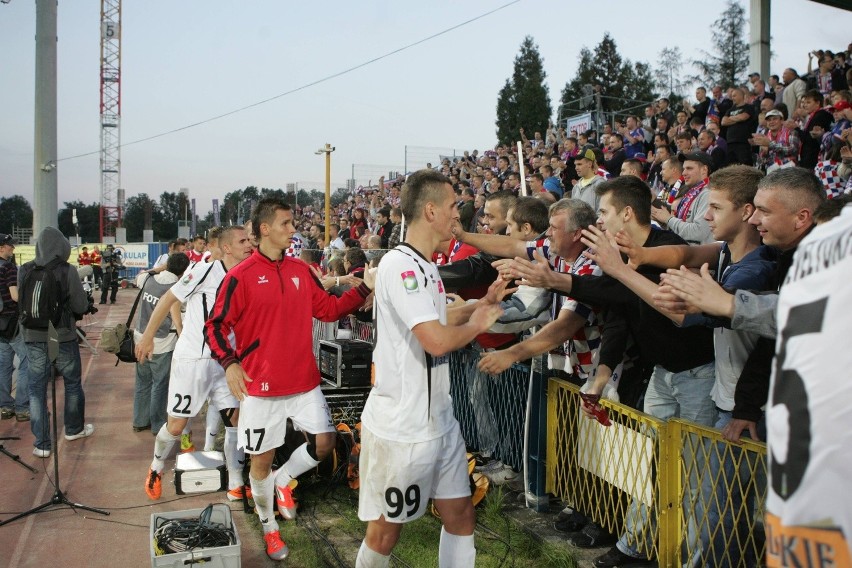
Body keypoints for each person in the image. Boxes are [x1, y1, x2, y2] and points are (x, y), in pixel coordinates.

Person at [205, 199, 375, 561]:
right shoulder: (240, 276)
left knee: (326, 443)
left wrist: (362, 289)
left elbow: (327, 309)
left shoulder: (300, 269)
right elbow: (215, 325)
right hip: (261, 389)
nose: (292, 229)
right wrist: (231, 363)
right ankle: (269, 529)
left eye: (293, 222)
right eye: (285, 223)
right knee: (259, 464)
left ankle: (284, 481)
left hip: (304, 382)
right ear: (264, 229)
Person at [355, 170, 505, 568]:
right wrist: (477, 324)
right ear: (431, 210)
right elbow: (436, 340)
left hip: (439, 420)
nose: (458, 215)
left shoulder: (424, 266)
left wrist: (480, 304)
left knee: (460, 515)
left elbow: (441, 318)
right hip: (403, 428)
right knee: (385, 532)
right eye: (454, 206)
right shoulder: (401, 267)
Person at [137, 226, 253, 504]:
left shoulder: (247, 273)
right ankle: (155, 467)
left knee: (234, 419)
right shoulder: (205, 269)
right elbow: (170, 299)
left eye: (250, 239)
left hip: (226, 361)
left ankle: (236, 481)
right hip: (193, 359)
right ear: (226, 248)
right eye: (243, 241)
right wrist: (148, 337)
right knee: (176, 426)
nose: (249, 244)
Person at [19, 227, 93, 458]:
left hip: (33, 336)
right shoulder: (67, 270)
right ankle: (73, 429)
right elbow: (80, 306)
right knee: (71, 384)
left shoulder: (25, 269)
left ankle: (42, 443)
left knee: (36, 390)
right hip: (61, 336)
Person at [131, 252, 189, 434]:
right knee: (160, 384)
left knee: (142, 381)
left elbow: (139, 276)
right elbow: (182, 317)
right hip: (163, 343)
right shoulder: (178, 289)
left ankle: (139, 420)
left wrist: (159, 268)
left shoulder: (148, 280)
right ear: (184, 271)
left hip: (140, 338)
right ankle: (157, 425)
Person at [0, 233, 29, 422]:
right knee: (27, 360)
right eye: (10, 245)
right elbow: (15, 296)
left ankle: (4, 406)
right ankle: (22, 407)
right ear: (1, 247)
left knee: (3, 365)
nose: (13, 248)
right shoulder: (9, 268)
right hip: (12, 321)